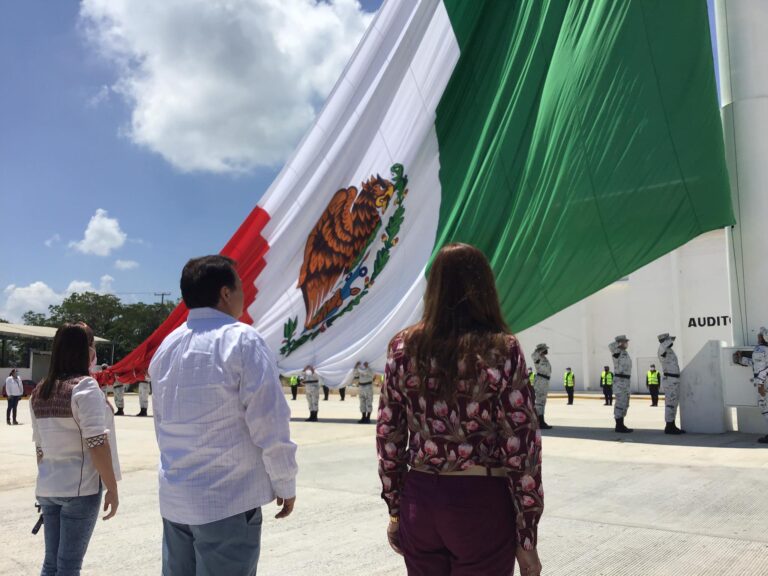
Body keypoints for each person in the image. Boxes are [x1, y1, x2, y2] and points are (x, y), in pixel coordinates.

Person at [376, 243, 543, 576]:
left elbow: (389, 437)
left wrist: (396, 510)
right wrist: (526, 538)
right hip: (479, 503)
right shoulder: (501, 348)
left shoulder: (402, 347)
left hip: (421, 499)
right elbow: (523, 447)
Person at [149, 255, 298, 576]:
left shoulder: (167, 347)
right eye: (240, 286)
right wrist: (284, 482)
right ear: (225, 293)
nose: (245, 293)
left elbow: (160, 423)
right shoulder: (243, 339)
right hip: (227, 499)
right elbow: (269, 421)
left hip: (177, 499)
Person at [29, 323, 120, 576]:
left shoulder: (40, 390)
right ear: (85, 351)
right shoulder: (85, 387)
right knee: (69, 565)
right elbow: (97, 444)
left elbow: (39, 449)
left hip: (48, 487)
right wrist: (112, 487)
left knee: (51, 563)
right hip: (79, 491)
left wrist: (50, 477)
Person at [733, 326, 768, 444]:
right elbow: (756, 363)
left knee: (765, 407)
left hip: (763, 384)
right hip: (764, 382)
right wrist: (741, 360)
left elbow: (760, 369)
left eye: (759, 335)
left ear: (763, 338)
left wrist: (760, 385)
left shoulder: (760, 350)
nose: (757, 336)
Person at [657, 334, 685, 435]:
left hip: (674, 379)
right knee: (670, 403)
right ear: (665, 341)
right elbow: (664, 345)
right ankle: (669, 426)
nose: (671, 342)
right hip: (670, 379)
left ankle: (672, 425)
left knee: (673, 403)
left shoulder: (669, 350)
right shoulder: (662, 349)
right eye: (668, 340)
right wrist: (668, 341)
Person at [610, 335, 633, 433]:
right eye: (624, 342)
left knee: (625, 403)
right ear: (620, 343)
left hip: (626, 381)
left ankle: (622, 425)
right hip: (620, 381)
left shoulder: (625, 353)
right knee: (620, 403)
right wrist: (618, 343)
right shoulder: (617, 351)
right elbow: (610, 346)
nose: (626, 343)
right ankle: (618, 426)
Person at [531, 343, 552, 429]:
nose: (547, 350)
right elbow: (533, 355)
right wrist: (538, 350)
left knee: (542, 402)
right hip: (541, 381)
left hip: (545, 381)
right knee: (540, 402)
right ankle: (540, 422)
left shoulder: (544, 358)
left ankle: (541, 421)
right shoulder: (537, 357)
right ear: (541, 350)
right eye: (545, 349)